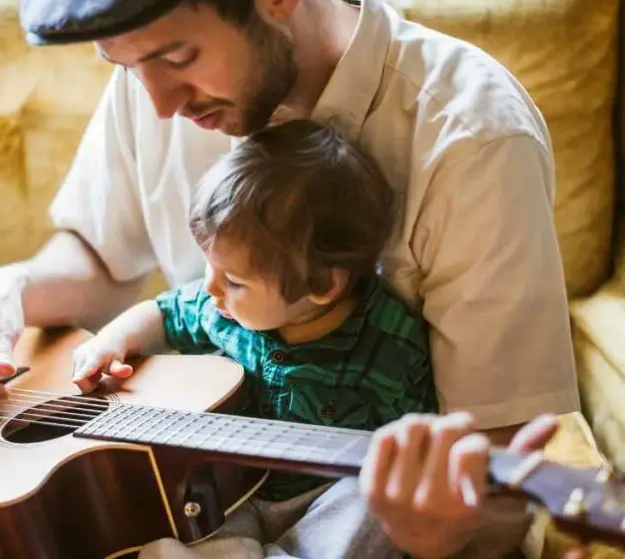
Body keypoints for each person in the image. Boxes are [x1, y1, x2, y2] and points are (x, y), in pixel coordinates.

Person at [0, 0, 582, 556]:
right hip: (210, 497)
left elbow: (502, 471)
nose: (157, 103)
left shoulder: (473, 139)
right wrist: (5, 289)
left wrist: (435, 537)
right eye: (125, 66)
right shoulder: (152, 80)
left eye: (177, 57)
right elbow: (103, 256)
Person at [72, 118, 435, 557]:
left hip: (323, 499)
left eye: (235, 280)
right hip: (234, 490)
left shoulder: (390, 346)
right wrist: (109, 341)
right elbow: (162, 312)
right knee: (173, 515)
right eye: (210, 266)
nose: (210, 288)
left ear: (322, 286)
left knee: (370, 500)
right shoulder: (218, 308)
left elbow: (418, 450)